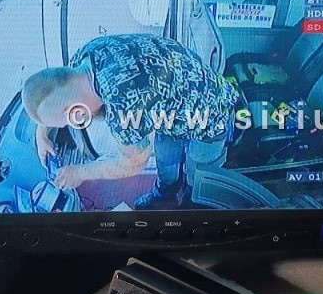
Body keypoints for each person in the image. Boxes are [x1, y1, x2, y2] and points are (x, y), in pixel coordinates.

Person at [22, 34, 239, 209]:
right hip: (172, 109)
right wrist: (41, 134)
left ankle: (193, 204)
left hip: (211, 115)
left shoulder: (122, 103)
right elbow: (54, 90)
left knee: (198, 172)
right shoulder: (83, 60)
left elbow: (132, 164)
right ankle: (164, 194)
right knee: (166, 161)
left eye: (65, 122)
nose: (69, 125)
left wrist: (80, 173)